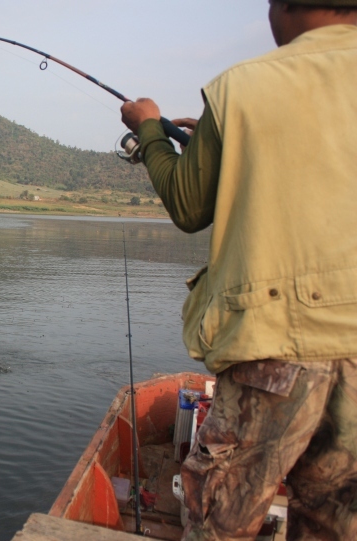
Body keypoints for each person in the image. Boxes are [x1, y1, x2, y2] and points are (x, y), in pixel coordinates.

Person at [120, 1, 357, 539]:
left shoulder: (243, 86)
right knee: (339, 524)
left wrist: (151, 129)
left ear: (283, 8)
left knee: (218, 524)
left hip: (272, 351)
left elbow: (188, 204)